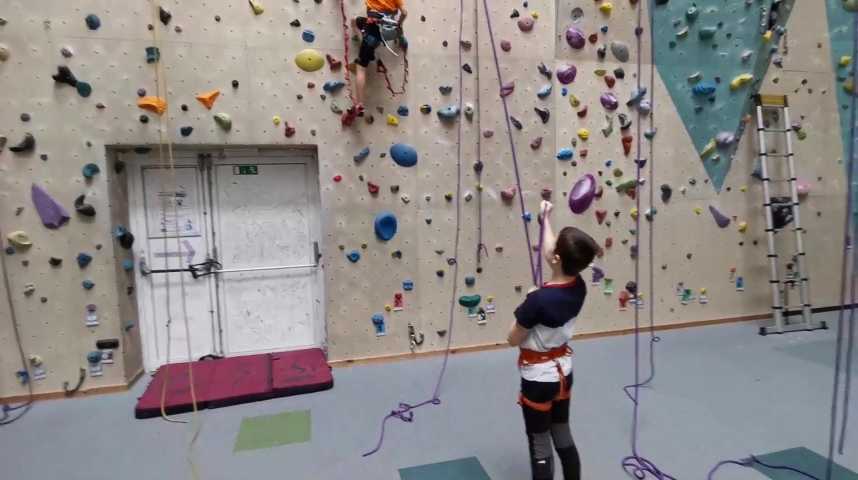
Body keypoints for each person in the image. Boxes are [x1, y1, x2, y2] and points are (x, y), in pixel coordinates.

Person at [507, 200, 600, 480]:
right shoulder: (578, 285)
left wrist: (527, 300)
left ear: (557, 259)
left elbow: (512, 338)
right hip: (563, 373)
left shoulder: (538, 300)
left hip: (538, 379)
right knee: (562, 433)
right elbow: (551, 252)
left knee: (539, 444)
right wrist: (544, 219)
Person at [344, 0, 407, 124]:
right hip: (385, 29)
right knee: (354, 20)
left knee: (361, 68)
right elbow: (404, 12)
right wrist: (399, 23)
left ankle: (359, 104)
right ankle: (367, 41)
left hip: (373, 30)